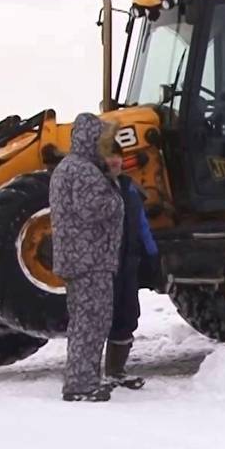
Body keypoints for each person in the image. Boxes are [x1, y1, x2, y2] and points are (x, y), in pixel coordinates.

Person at [49, 113, 124, 402]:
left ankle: (84, 380)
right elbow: (93, 209)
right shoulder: (84, 171)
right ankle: (81, 385)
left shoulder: (67, 167)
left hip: (78, 258)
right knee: (91, 322)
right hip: (90, 259)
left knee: (84, 321)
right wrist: (116, 198)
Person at [105, 141, 160, 390]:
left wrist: (152, 254)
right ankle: (87, 373)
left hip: (128, 262)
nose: (114, 161)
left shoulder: (129, 188)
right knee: (101, 317)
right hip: (104, 265)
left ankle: (116, 370)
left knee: (128, 315)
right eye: (109, 156)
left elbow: (141, 224)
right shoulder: (96, 189)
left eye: (117, 156)